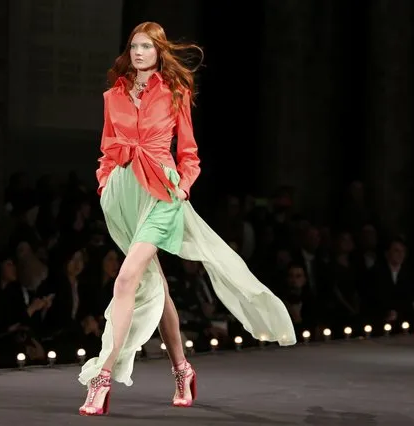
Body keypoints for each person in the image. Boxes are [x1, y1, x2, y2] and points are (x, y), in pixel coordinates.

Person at [78, 22, 296, 416]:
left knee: (128, 279)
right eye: (134, 46)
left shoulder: (175, 93)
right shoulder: (113, 96)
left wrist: (183, 187)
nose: (139, 52)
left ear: (160, 51)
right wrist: (105, 181)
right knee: (155, 285)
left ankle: (102, 377)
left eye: (146, 46)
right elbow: (108, 148)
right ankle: (182, 369)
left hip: (162, 193)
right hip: (124, 194)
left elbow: (190, 153)